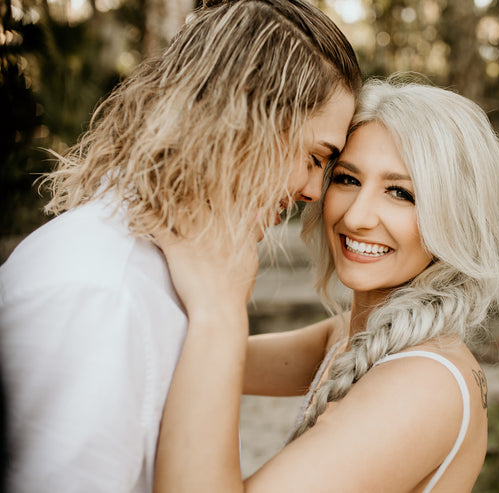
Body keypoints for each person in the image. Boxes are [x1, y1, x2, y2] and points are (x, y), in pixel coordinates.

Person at [0, 0, 361, 491]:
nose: (313, 192)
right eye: (315, 156)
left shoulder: (175, 273)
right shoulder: (99, 290)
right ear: (245, 115)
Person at [153, 77, 499, 492]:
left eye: (400, 192)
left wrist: (219, 311)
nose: (358, 216)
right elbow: (185, 359)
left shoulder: (422, 384)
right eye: (347, 179)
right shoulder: (353, 332)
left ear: (456, 217)